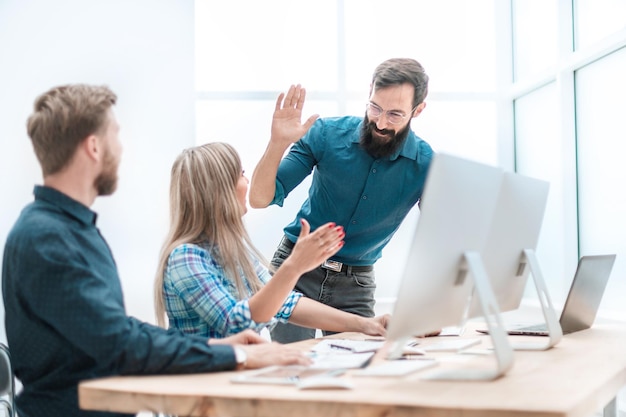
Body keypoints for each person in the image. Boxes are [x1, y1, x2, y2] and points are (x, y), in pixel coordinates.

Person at [1, 84, 310, 417]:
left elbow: (119, 330)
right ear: (93, 146)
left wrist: (218, 347)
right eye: (115, 135)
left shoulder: (71, 230)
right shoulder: (47, 239)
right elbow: (119, 345)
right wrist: (235, 355)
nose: (120, 149)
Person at [249, 57, 434, 343]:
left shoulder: (426, 164)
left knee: (360, 371)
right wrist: (278, 142)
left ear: (418, 109)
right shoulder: (325, 135)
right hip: (295, 268)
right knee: (288, 368)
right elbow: (260, 199)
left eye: (395, 114)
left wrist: (428, 308)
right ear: (369, 90)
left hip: (356, 284)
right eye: (375, 107)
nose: (381, 123)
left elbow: (441, 239)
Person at [153, 142, 390, 339]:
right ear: (219, 190)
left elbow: (285, 302)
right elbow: (236, 325)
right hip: (210, 386)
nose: (247, 183)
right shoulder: (186, 257)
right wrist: (294, 267)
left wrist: (365, 324)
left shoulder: (232, 250)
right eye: (241, 174)